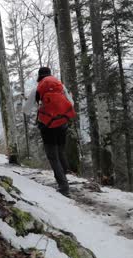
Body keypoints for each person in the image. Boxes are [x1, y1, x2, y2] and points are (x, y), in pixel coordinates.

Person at [22, 67, 76, 196]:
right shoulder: (60, 86)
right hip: (63, 122)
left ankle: (63, 187)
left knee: (52, 156)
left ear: (39, 77)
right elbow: (71, 103)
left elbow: (25, 110)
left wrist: (31, 101)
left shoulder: (37, 89)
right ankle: (65, 176)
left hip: (47, 125)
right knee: (61, 150)